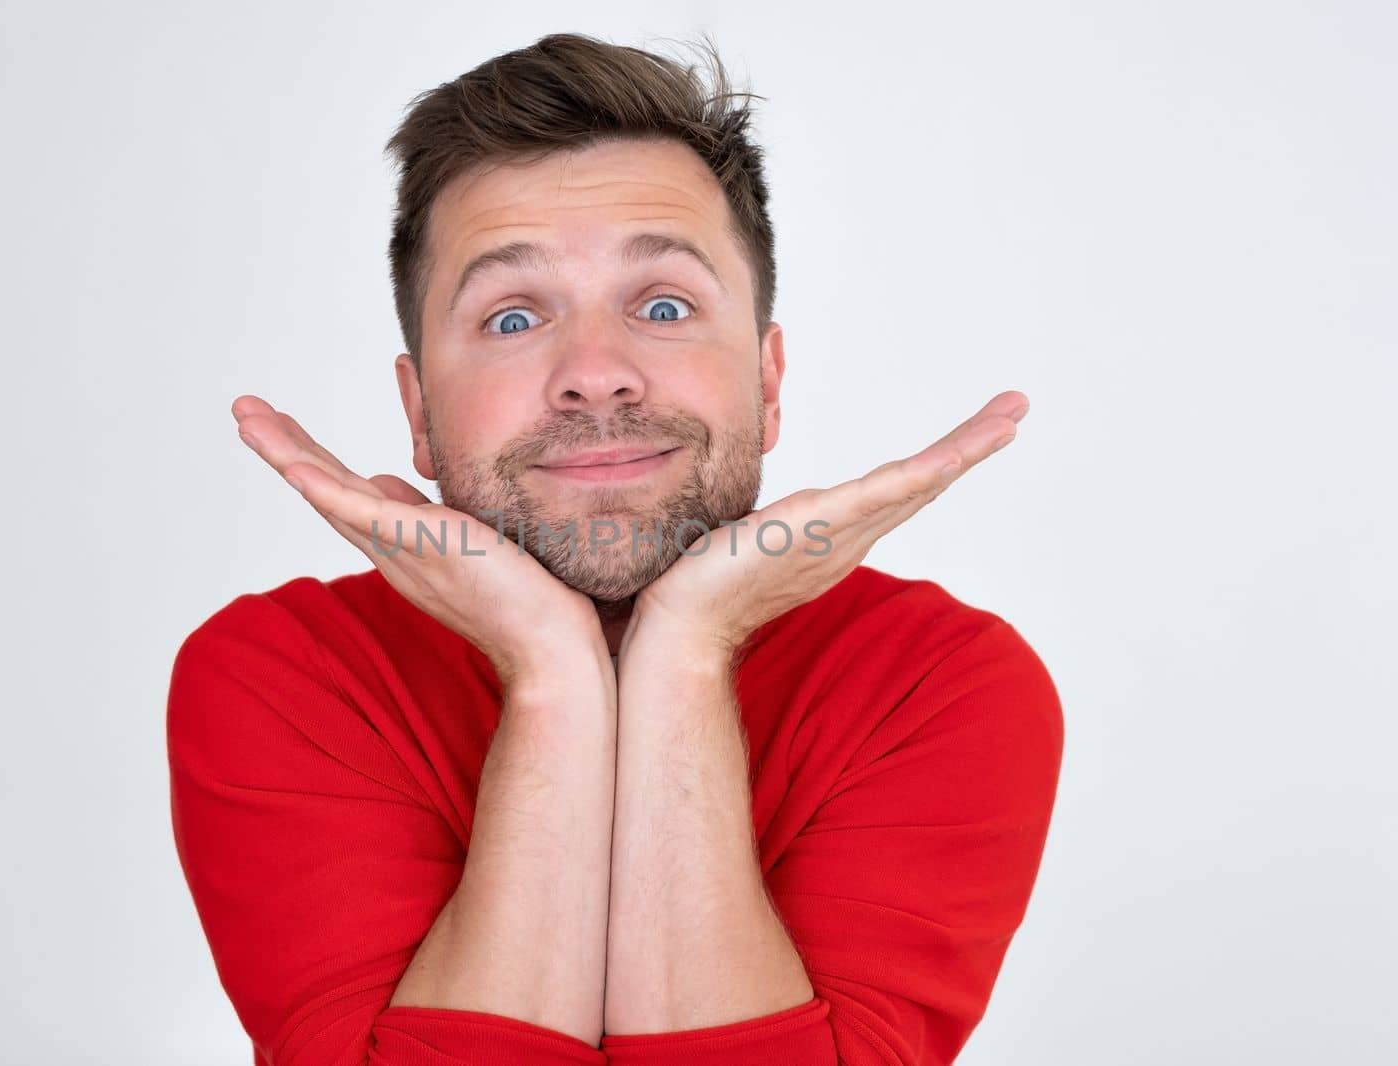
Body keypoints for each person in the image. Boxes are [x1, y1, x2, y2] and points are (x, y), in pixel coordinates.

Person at [167, 31, 1063, 1066]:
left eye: (664, 306)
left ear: (767, 385)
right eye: (511, 318)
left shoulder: (937, 682)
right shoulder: (288, 673)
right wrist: (552, 672)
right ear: (417, 414)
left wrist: (684, 651)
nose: (596, 374)